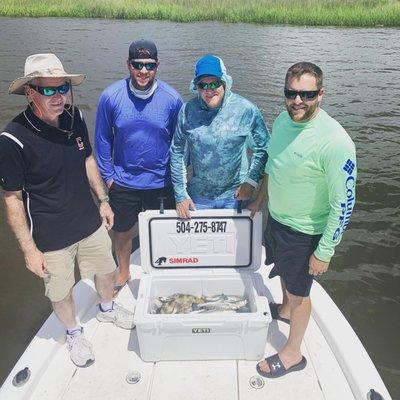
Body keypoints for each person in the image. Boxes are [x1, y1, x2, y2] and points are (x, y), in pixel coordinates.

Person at [0, 54, 134, 368]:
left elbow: (88, 160)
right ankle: (74, 331)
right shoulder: (12, 139)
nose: (59, 96)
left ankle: (107, 308)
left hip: (87, 219)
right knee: (59, 289)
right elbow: (12, 199)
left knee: (106, 268)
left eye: (63, 88)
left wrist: (103, 200)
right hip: (49, 234)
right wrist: (29, 249)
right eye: (49, 90)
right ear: (30, 92)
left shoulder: (75, 118)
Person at [255, 62, 357, 378]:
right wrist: (258, 202)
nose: (297, 101)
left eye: (307, 94)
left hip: (307, 232)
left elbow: (345, 203)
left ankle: (292, 353)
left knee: (300, 293)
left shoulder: (335, 141)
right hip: (279, 221)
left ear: (321, 94)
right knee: (285, 277)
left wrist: (324, 251)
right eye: (291, 93)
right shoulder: (285, 121)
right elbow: (273, 166)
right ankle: (284, 310)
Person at [95, 40, 183, 294]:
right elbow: (102, 140)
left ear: (157, 66)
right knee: (122, 232)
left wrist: (179, 179)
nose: (143, 71)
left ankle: (161, 269)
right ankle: (123, 270)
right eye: (137, 65)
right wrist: (109, 177)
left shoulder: (172, 99)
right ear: (128, 64)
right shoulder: (110, 97)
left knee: (162, 230)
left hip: (161, 182)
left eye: (149, 65)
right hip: (123, 181)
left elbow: (181, 142)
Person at [170, 54, 269, 218]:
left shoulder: (246, 110)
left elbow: (263, 148)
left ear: (224, 82)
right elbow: (177, 152)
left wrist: (250, 182)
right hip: (199, 198)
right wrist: (180, 194)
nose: (209, 90)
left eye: (214, 83)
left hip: (237, 195)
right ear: (196, 87)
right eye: (203, 85)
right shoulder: (187, 111)